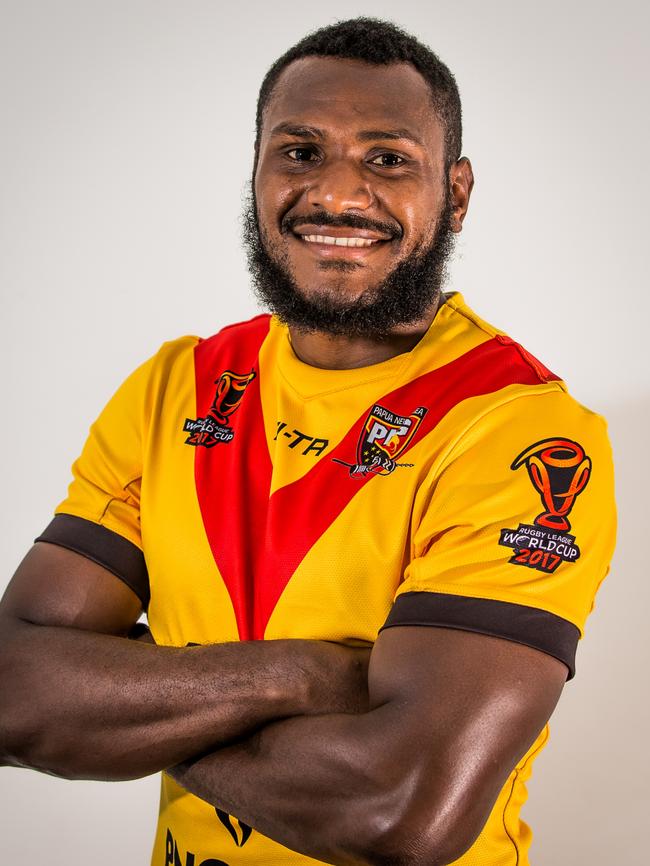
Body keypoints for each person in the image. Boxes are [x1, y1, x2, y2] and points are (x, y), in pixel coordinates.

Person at [0, 17, 616, 866]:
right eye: (299, 151)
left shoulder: (516, 428)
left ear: (457, 193)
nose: (337, 193)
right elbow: (10, 693)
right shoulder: (176, 386)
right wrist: (299, 675)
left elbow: (397, 810)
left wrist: (123, 704)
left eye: (388, 158)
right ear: (254, 173)